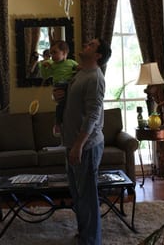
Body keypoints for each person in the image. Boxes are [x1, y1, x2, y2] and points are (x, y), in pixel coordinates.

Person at [54, 38, 112, 245]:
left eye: (92, 44)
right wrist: (59, 98)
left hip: (86, 146)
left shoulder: (96, 78)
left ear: (98, 55)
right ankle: (84, 235)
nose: (86, 43)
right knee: (78, 195)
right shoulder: (79, 73)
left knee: (87, 196)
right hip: (72, 143)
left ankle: (91, 241)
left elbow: (93, 115)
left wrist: (78, 145)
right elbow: (72, 103)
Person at [40, 40, 78, 136]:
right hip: (59, 86)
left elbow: (79, 69)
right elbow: (45, 76)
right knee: (60, 105)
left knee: (68, 103)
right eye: (51, 53)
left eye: (55, 52)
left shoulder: (71, 62)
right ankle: (57, 124)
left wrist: (79, 69)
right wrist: (43, 66)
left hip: (69, 86)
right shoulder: (52, 65)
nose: (52, 55)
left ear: (64, 53)